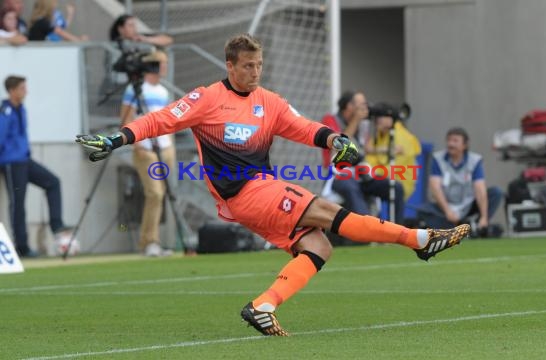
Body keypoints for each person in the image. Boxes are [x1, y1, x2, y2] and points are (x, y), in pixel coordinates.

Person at [76, 33, 470, 336]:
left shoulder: (270, 101)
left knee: (319, 247)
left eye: (259, 65)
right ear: (230, 66)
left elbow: (303, 128)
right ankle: (418, 240)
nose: (254, 72)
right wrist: (115, 139)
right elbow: (157, 120)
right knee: (330, 212)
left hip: (257, 193)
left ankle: (264, 305)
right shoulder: (207, 98)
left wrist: (336, 140)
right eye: (247, 65)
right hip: (245, 191)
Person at [0, 75, 73, 257]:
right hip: (11, 162)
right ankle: (22, 246)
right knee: (18, 203)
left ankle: (56, 225)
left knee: (53, 182)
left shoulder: (21, 109)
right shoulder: (4, 111)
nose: (26, 92)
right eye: (22, 88)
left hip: (24, 160)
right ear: (12, 90)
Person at [120, 51, 175, 257]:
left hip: (164, 147)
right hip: (146, 148)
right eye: (162, 63)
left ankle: (155, 241)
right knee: (155, 193)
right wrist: (138, 144)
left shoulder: (162, 90)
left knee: (161, 195)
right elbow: (126, 118)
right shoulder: (135, 89)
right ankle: (149, 241)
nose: (165, 67)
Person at [321, 91, 405, 223]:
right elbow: (339, 146)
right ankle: (369, 232)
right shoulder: (330, 120)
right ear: (349, 106)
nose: (365, 108)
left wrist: (386, 147)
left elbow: (364, 148)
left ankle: (397, 233)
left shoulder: (363, 124)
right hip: (339, 174)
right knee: (352, 187)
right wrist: (356, 120)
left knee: (395, 187)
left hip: (361, 173)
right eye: (361, 105)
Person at [417, 127, 503, 232]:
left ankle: (478, 225)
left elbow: (480, 189)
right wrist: (448, 211)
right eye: (449, 140)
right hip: (445, 206)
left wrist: (484, 217)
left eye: (455, 141)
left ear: (465, 145)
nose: (451, 144)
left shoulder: (474, 161)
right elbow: (435, 188)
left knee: (496, 193)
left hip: (468, 204)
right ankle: (465, 228)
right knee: (423, 210)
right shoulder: (437, 159)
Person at [365, 106, 421, 201]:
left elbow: (392, 167)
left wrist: (369, 169)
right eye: (376, 117)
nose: (376, 120)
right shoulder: (381, 133)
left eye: (380, 117)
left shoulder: (401, 136)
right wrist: (382, 150)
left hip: (399, 182)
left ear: (390, 118)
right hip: (383, 178)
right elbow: (368, 152)